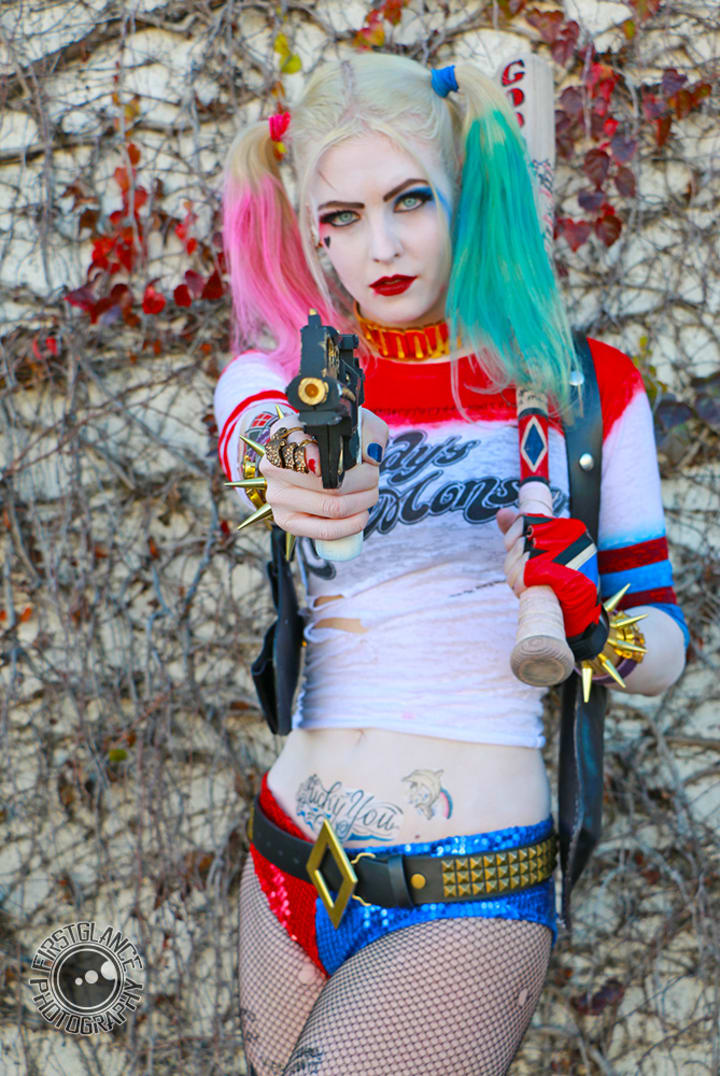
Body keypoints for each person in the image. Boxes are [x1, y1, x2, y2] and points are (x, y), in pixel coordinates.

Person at [214, 53, 688, 1076]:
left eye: (410, 201)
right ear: (311, 229)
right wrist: (301, 462)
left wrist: (591, 621)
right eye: (341, 217)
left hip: (464, 888)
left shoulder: (590, 392)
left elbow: (664, 647)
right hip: (287, 860)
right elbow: (265, 444)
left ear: (464, 195)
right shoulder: (289, 378)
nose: (379, 247)